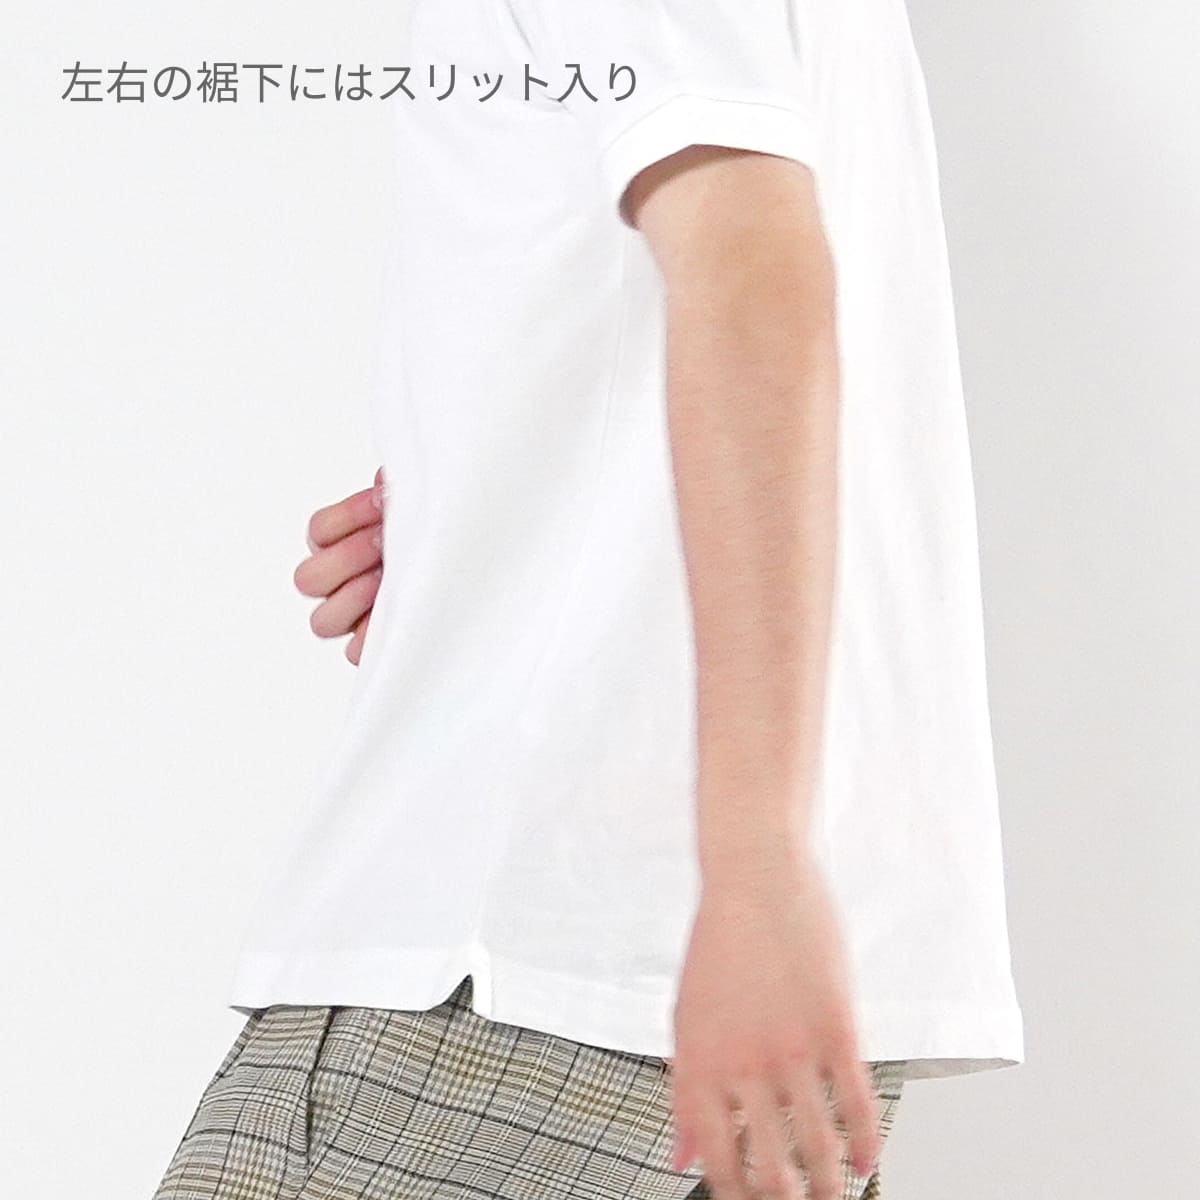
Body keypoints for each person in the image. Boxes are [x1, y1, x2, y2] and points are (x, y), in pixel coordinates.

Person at [152, 2, 1024, 1198]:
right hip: (742, 958)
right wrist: (485, 527)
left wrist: (753, 861)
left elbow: (753, 267)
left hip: (535, 954)